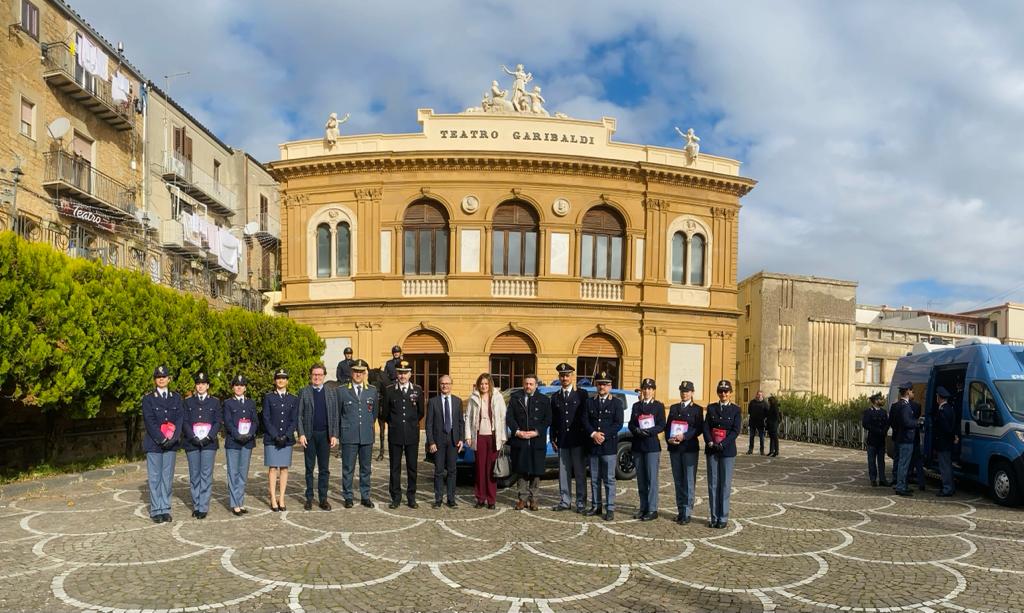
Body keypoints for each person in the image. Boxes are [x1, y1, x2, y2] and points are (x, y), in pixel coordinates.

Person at [142, 365, 183, 523]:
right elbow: (149, 421)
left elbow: (179, 419)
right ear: (155, 380)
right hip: (154, 443)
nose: (161, 379)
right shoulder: (148, 398)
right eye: (158, 377)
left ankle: (165, 508)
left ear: (169, 379)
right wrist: (161, 438)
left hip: (171, 444)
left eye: (164, 376)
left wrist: (174, 438)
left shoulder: (176, 398)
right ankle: (155, 509)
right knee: (155, 477)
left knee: (167, 477)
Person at [582, 370, 623, 521]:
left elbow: (618, 423)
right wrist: (593, 434)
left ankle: (610, 508)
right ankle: (596, 505)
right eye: (599, 384)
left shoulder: (616, 403)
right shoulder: (589, 402)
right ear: (596, 385)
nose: (602, 387)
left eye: (605, 384)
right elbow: (585, 420)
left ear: (610, 386)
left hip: (608, 446)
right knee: (594, 478)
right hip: (593, 445)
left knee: (609, 479)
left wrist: (602, 435)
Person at [382, 360, 424, 509]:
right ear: (396, 374)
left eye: (405, 373)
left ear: (410, 374)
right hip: (395, 435)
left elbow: (420, 412)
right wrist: (395, 424)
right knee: (395, 467)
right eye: (400, 372)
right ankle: (396, 497)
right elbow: (385, 414)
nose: (402, 375)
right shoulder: (389, 390)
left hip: (412, 435)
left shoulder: (417, 390)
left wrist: (410, 424)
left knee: (412, 467)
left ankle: (411, 497)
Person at [297, 363, 339, 511]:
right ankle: (309, 498)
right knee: (309, 468)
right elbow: (299, 415)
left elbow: (334, 415)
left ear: (324, 376)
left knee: (324, 469)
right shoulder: (304, 391)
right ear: (311, 376)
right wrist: (301, 433)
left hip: (325, 436)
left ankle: (323, 499)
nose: (317, 377)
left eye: (320, 375)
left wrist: (334, 434)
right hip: (309, 435)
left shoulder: (330, 392)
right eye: (314, 374)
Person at [507, 374, 551, 511]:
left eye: (531, 384)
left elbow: (548, 419)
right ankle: (522, 499)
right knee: (521, 471)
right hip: (520, 440)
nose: (528, 386)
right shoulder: (516, 398)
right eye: (526, 384)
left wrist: (537, 431)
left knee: (536, 471)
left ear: (536, 385)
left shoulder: (544, 400)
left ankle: (534, 499)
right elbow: (509, 417)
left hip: (536, 440)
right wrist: (517, 431)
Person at [549, 362, 589, 513]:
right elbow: (554, 420)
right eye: (562, 375)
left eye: (567, 375)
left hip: (578, 439)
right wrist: (553, 438)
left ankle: (580, 502)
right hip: (563, 440)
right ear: (559, 377)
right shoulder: (555, 397)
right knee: (563, 472)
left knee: (579, 472)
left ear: (572, 376)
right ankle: (565, 501)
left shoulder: (582, 394)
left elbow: (586, 417)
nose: (564, 378)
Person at [337, 359, 377, 508]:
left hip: (366, 435)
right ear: (351, 372)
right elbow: (339, 413)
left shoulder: (372, 390)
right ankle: (348, 496)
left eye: (361, 371)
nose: (358, 374)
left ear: (365, 373)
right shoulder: (341, 390)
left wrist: (367, 427)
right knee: (348, 468)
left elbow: (373, 414)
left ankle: (365, 496)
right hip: (349, 435)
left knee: (366, 468)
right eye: (355, 371)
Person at [465, 373, 507, 509]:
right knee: (480, 468)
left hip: (493, 436)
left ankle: (491, 499)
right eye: (481, 384)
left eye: (486, 384)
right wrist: (468, 436)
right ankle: (480, 498)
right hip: (479, 436)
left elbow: (503, 417)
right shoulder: (473, 398)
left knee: (491, 469)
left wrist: (503, 437)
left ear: (490, 384)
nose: (483, 386)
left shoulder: (498, 397)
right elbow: (468, 418)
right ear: (478, 385)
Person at [703, 380, 741, 529]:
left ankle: (723, 517)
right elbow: (706, 427)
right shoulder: (711, 408)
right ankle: (714, 516)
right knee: (713, 484)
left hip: (727, 451)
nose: (723, 394)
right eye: (720, 391)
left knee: (725, 485)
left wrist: (722, 444)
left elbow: (735, 430)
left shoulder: (736, 410)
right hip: (712, 449)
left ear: (730, 393)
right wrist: (710, 442)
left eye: (726, 391)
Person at [182, 371, 220, 519]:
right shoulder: (188, 402)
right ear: (195, 385)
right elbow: (184, 421)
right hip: (192, 443)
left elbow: (218, 421)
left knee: (206, 475)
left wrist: (209, 436)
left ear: (208, 386)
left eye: (203, 383)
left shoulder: (215, 402)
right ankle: (196, 504)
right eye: (198, 383)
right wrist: (193, 437)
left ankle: (203, 506)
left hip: (209, 444)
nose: (201, 386)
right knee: (194, 475)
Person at [628, 378, 665, 521]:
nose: (647, 391)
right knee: (641, 480)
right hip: (638, 445)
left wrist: (649, 431)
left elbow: (662, 424)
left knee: (651, 479)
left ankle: (652, 509)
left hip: (651, 446)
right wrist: (636, 430)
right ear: (642, 390)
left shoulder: (658, 406)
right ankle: (643, 507)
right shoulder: (636, 406)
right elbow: (631, 423)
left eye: (649, 389)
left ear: (653, 390)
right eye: (644, 388)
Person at [666, 380, 703, 525]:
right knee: (678, 481)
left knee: (688, 481)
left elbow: (698, 428)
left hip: (689, 449)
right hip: (675, 448)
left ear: (692, 393)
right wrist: (669, 438)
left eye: (687, 391)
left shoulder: (697, 409)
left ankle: (687, 512)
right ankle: (680, 510)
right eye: (682, 391)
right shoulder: (674, 408)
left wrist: (685, 436)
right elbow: (668, 426)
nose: (684, 393)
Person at [263, 368, 298, 512]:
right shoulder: (268, 397)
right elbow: (266, 418)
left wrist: (287, 435)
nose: (281, 380)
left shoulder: (293, 398)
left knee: (284, 468)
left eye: (283, 378)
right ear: (274, 381)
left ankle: (281, 498)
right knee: (272, 468)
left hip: (287, 439)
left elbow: (294, 419)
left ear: (287, 381)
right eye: (278, 378)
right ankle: (272, 498)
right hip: (272, 439)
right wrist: (275, 435)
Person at [427, 375, 464, 508]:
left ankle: (451, 499)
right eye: (442, 383)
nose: (445, 386)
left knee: (452, 471)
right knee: (438, 471)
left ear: (451, 385)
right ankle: (438, 499)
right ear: (439, 385)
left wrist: (461, 439)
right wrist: (431, 442)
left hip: (453, 441)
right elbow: (429, 424)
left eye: (447, 383)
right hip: (438, 441)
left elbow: (461, 422)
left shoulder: (457, 401)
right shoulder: (433, 402)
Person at [223, 374, 258, 516]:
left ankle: (240, 501)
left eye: (242, 385)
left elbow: (255, 421)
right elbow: (228, 421)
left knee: (243, 473)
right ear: (233, 388)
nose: (239, 387)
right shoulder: (228, 403)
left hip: (247, 442)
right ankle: (234, 503)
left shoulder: (250, 403)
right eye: (237, 385)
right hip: (233, 442)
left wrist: (250, 434)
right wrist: (237, 435)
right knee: (233, 472)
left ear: (245, 388)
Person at [891, 382, 920, 497]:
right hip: (906, 438)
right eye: (912, 391)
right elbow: (906, 422)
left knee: (901, 463)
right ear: (908, 391)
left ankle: (902, 485)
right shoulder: (904, 406)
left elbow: (893, 422)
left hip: (900, 437)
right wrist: (917, 423)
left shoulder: (897, 405)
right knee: (903, 464)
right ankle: (900, 486)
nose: (913, 393)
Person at [933, 386, 958, 497]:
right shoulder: (950, 408)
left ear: (940, 397)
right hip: (947, 442)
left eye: (937, 396)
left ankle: (947, 488)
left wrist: (950, 436)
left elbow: (946, 428)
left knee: (944, 467)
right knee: (948, 465)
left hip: (943, 442)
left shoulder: (942, 410)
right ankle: (950, 487)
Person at [861, 392, 889, 486]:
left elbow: (887, 423)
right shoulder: (868, 412)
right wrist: (877, 430)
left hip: (881, 440)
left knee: (881, 461)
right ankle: (873, 479)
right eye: (880, 399)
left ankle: (882, 479)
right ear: (875, 401)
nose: (881, 401)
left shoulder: (883, 412)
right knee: (871, 461)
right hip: (872, 440)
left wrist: (884, 431)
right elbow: (865, 424)